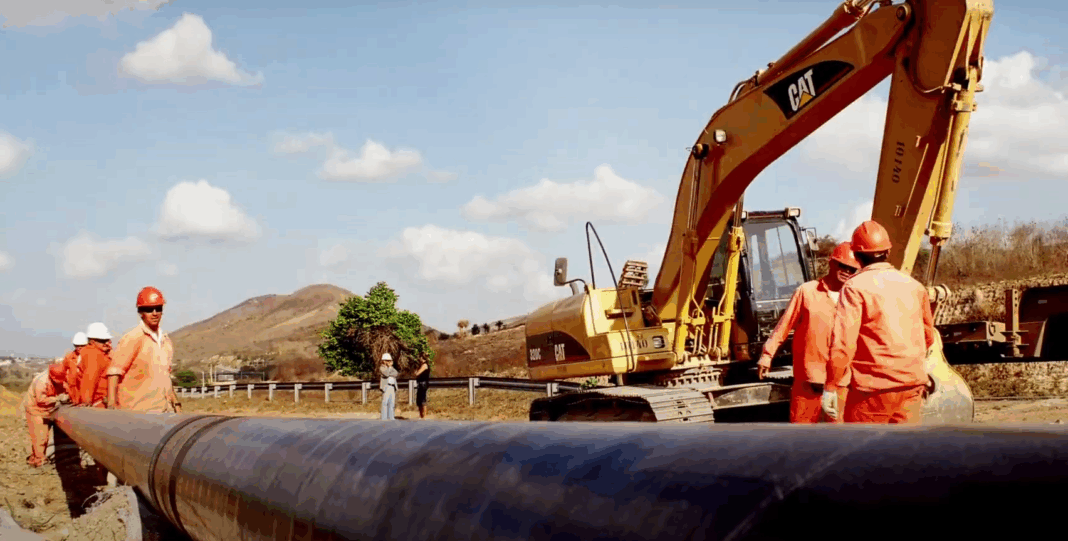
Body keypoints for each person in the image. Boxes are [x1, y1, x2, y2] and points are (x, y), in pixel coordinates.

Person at [823, 220, 937, 424]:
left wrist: (831, 386)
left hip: (872, 391)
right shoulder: (915, 286)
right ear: (887, 251)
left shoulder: (854, 288)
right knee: (905, 452)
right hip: (912, 387)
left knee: (865, 453)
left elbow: (843, 345)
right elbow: (928, 337)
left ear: (857, 256)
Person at [757, 242, 861, 423]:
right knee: (801, 437)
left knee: (839, 438)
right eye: (842, 265)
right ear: (831, 263)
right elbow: (784, 325)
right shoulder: (807, 292)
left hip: (840, 382)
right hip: (809, 380)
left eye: (852, 269)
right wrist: (767, 354)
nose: (846, 271)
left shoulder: (856, 298)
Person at [106, 286, 181, 413]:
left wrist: (176, 404)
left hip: (164, 411)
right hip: (138, 413)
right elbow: (114, 373)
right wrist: (112, 404)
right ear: (140, 312)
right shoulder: (133, 338)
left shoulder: (166, 342)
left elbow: (165, 377)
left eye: (158, 308)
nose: (154, 313)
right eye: (149, 309)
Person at [22, 364, 70, 467]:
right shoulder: (41, 382)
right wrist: (57, 398)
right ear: (52, 377)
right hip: (36, 410)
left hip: (48, 409)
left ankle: (36, 457)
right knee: (40, 437)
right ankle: (38, 462)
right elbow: (41, 400)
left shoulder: (60, 376)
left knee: (45, 437)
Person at [76, 322, 114, 408]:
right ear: (92, 342)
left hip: (101, 400)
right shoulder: (93, 355)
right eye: (102, 341)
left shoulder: (100, 353)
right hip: (98, 402)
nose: (106, 343)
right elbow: (89, 378)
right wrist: (87, 401)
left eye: (107, 340)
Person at [62, 331, 88, 403]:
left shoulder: (91, 357)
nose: (79, 348)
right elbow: (62, 372)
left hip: (85, 389)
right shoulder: (69, 357)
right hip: (72, 389)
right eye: (77, 345)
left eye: (81, 346)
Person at [379, 353, 399, 420]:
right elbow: (386, 374)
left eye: (389, 360)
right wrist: (390, 368)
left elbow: (396, 373)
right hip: (386, 386)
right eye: (387, 360)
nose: (388, 362)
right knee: (385, 402)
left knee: (392, 402)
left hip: (392, 386)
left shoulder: (391, 368)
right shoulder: (382, 368)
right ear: (383, 361)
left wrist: (390, 368)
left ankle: (391, 417)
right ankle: (384, 417)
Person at [414, 353, 431, 419]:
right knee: (419, 400)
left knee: (423, 399)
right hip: (420, 383)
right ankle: (421, 415)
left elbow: (417, 373)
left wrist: (416, 372)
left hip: (423, 384)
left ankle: (424, 415)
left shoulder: (424, 365)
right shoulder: (421, 365)